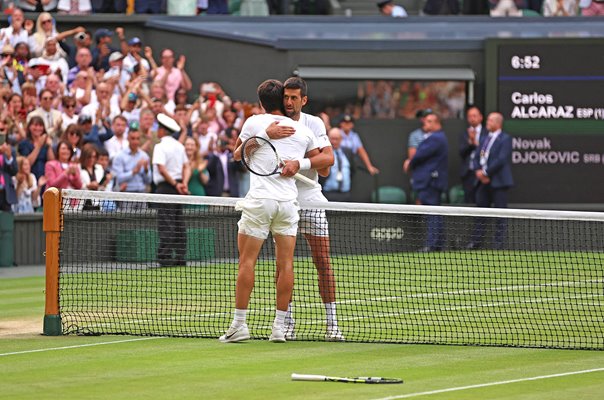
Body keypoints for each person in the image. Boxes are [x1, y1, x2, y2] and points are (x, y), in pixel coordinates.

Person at [219, 79, 320, 343]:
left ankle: (239, 325)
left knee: (247, 262)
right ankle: (279, 328)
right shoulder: (303, 131)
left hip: (261, 201)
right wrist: (300, 161)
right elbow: (324, 165)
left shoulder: (254, 122)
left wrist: (264, 136)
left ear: (261, 102)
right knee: (286, 264)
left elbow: (237, 155)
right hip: (288, 204)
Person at [265, 76, 344, 341]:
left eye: (294, 98)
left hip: (310, 199)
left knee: (322, 261)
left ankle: (332, 324)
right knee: (283, 264)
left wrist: (300, 163)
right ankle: (286, 322)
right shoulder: (272, 124)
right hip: (284, 201)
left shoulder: (314, 123)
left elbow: (327, 161)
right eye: (285, 97)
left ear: (304, 100)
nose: (288, 102)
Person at [468, 112, 514, 250]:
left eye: (490, 120)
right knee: (481, 212)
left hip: (498, 182)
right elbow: (478, 156)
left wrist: (486, 172)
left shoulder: (505, 139)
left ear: (498, 123)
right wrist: (478, 171)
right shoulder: (484, 139)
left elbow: (501, 159)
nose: (487, 122)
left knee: (500, 214)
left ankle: (498, 244)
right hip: (483, 182)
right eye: (487, 119)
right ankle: (476, 242)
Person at [403, 113, 448, 252]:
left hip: (431, 182)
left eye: (429, 122)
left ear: (436, 123)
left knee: (432, 212)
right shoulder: (436, 138)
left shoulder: (436, 138)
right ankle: (436, 243)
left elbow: (418, 155)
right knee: (434, 211)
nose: (425, 124)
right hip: (431, 181)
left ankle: (432, 244)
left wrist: (410, 162)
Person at [152, 113, 190, 267]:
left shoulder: (160, 146)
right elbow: (186, 166)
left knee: (167, 223)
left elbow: (161, 168)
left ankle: (165, 257)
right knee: (178, 222)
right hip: (179, 187)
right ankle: (180, 257)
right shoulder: (179, 146)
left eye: (158, 129)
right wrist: (183, 184)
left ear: (162, 131)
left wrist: (175, 184)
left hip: (167, 188)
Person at [112, 126, 152, 196]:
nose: (135, 141)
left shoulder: (144, 156)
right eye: (133, 138)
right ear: (128, 139)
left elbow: (148, 181)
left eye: (137, 139)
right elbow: (118, 178)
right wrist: (133, 172)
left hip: (142, 194)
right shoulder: (120, 156)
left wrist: (146, 170)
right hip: (126, 194)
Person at [320, 127, 355, 202]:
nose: (334, 141)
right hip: (327, 194)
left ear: (341, 139)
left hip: (345, 194)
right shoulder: (322, 153)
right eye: (332, 139)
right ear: (328, 139)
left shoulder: (348, 152)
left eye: (337, 139)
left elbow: (352, 171)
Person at [458, 106, 484, 204]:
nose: (472, 118)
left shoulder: (486, 133)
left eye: (474, 116)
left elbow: (485, 151)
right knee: (469, 201)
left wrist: (475, 143)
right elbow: (461, 152)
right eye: (470, 116)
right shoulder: (464, 134)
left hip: (482, 172)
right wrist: (470, 143)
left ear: (480, 117)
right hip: (468, 173)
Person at [205, 133, 243, 197]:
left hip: (232, 193)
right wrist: (216, 152)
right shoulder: (213, 156)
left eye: (224, 142)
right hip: (216, 194)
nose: (222, 144)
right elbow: (210, 169)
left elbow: (241, 169)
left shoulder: (231, 156)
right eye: (220, 142)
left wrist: (234, 152)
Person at [0, 136, 18, 212]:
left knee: (7, 219)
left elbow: (14, 171)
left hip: (5, 193)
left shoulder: (10, 150)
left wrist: (9, 157)